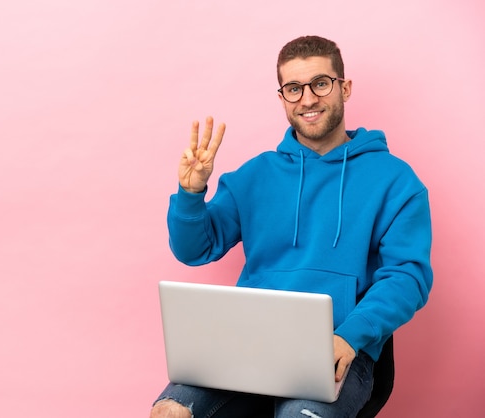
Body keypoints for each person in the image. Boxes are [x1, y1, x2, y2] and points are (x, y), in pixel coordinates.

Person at [150, 35, 433, 418]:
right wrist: (190, 192)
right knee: (170, 411)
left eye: (320, 83)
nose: (308, 99)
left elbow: (408, 276)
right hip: (246, 344)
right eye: (293, 88)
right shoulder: (255, 175)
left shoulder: (396, 181)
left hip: (338, 348)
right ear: (282, 97)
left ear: (344, 88)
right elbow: (194, 249)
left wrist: (351, 336)